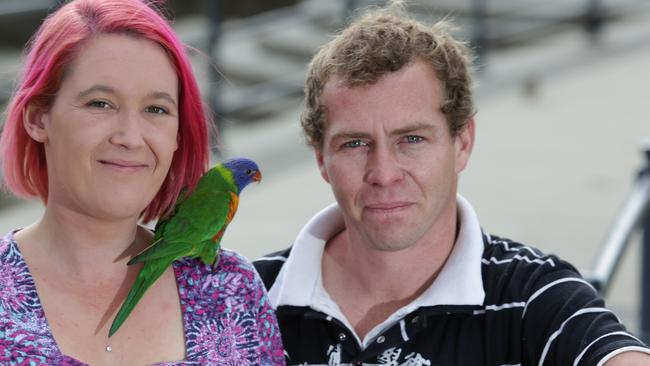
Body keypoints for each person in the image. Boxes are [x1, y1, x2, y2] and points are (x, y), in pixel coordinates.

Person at [253, 2, 650, 365]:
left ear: (463, 142)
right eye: (355, 144)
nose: (384, 173)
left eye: (411, 140)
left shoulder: (533, 297)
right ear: (321, 158)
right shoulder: (245, 296)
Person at [0, 0, 285, 364]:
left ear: (178, 135)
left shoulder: (232, 292)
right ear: (39, 119)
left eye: (156, 109)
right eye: (100, 103)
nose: (131, 137)